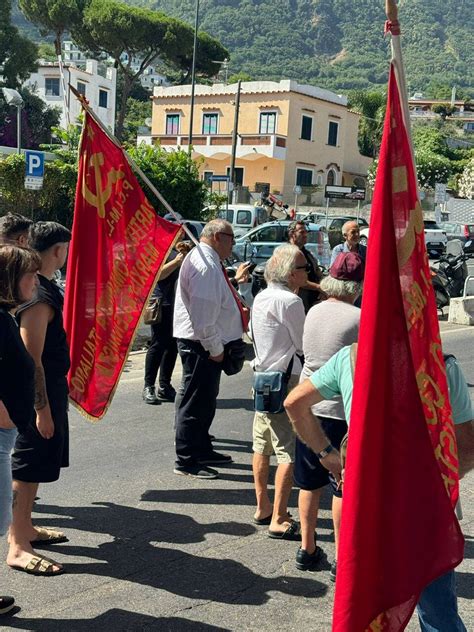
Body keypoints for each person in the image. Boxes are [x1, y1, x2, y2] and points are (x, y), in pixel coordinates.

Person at [285, 347, 472, 630]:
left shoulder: (350, 357)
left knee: (368, 608)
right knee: (437, 612)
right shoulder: (440, 361)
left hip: (366, 504)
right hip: (424, 507)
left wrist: (327, 454)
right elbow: (468, 446)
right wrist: (438, 483)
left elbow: (294, 403)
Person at [8, 222, 71, 577]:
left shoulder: (42, 286)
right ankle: (17, 542)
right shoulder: (38, 296)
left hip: (51, 390)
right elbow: (32, 359)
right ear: (58, 251)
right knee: (26, 466)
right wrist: (42, 410)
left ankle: (26, 527)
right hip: (36, 399)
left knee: (35, 469)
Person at [294, 252, 362, 572]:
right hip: (339, 411)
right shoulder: (359, 318)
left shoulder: (313, 311)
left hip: (308, 408)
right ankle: (340, 558)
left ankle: (307, 550)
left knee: (309, 483)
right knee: (341, 485)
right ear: (357, 286)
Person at [173, 219, 246, 479]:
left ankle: (201, 448)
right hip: (201, 344)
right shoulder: (204, 265)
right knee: (194, 402)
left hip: (206, 343)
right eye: (231, 238)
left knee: (205, 402)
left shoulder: (210, 261)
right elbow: (203, 318)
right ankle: (187, 458)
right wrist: (215, 348)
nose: (233, 244)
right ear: (217, 236)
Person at [250, 244, 307, 539]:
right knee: (288, 451)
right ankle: (280, 516)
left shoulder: (261, 296)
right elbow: (302, 344)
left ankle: (263, 506)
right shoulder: (290, 302)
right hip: (285, 381)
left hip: (262, 378)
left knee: (262, 446)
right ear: (290, 273)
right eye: (303, 267)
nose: (306, 272)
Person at [0, 245, 40, 600]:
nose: (35, 281)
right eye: (30, 275)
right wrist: (6, 417)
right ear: (12, 279)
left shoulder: (5, 316)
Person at [142, 234, 191, 405]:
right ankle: (148, 386)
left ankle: (164, 385)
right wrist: (177, 262)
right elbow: (156, 275)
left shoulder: (185, 250)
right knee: (158, 344)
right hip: (161, 303)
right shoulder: (159, 250)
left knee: (172, 346)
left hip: (178, 303)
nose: (181, 234)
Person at [287, 220, 324, 313]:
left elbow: (316, 270)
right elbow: (297, 279)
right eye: (302, 232)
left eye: (306, 232)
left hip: (313, 299)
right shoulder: (289, 253)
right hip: (300, 300)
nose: (305, 235)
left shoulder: (306, 252)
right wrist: (318, 287)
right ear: (292, 234)